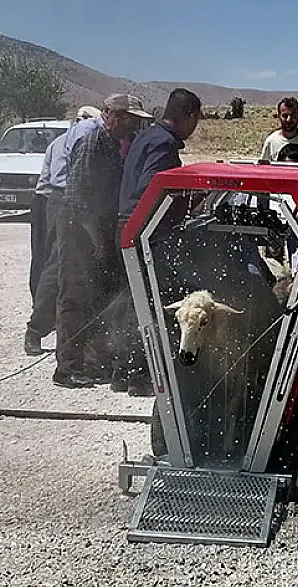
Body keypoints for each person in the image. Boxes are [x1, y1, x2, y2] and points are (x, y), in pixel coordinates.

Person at [47, 94, 152, 387]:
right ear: (113, 114)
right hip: (79, 228)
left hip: (94, 225)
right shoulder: (93, 139)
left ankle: (90, 361)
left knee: (93, 294)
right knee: (74, 295)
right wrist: (95, 238)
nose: (132, 127)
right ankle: (68, 367)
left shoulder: (110, 141)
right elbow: (78, 195)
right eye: (129, 119)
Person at [113, 88, 204, 396]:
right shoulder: (163, 144)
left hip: (130, 226)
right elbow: (152, 189)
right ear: (188, 115)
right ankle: (140, 377)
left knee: (135, 302)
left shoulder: (147, 136)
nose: (196, 126)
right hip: (145, 231)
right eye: (196, 119)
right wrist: (186, 203)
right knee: (152, 303)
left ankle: (122, 372)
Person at [25, 105, 102, 355]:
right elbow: (64, 183)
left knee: (60, 263)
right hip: (64, 202)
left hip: (58, 201)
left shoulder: (60, 141)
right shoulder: (79, 140)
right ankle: (37, 328)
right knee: (58, 264)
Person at [259, 97, 298, 162]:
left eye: (293, 115)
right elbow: (264, 167)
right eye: (285, 116)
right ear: (279, 116)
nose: (289, 119)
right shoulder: (271, 141)